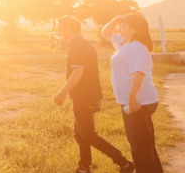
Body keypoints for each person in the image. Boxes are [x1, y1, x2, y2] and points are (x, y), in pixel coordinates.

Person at [51, 16, 134, 173]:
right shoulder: (82, 44)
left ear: (69, 29)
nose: (59, 31)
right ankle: (84, 167)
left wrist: (62, 93)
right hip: (87, 95)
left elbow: (77, 73)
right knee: (80, 133)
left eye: (61, 28)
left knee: (87, 134)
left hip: (84, 96)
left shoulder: (78, 47)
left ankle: (124, 163)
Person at [101, 13, 162, 173]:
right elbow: (105, 33)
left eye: (124, 25)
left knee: (139, 145)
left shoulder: (136, 47)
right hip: (134, 101)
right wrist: (115, 20)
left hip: (138, 101)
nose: (121, 27)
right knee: (144, 143)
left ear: (134, 29)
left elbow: (139, 72)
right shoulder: (124, 43)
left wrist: (132, 96)